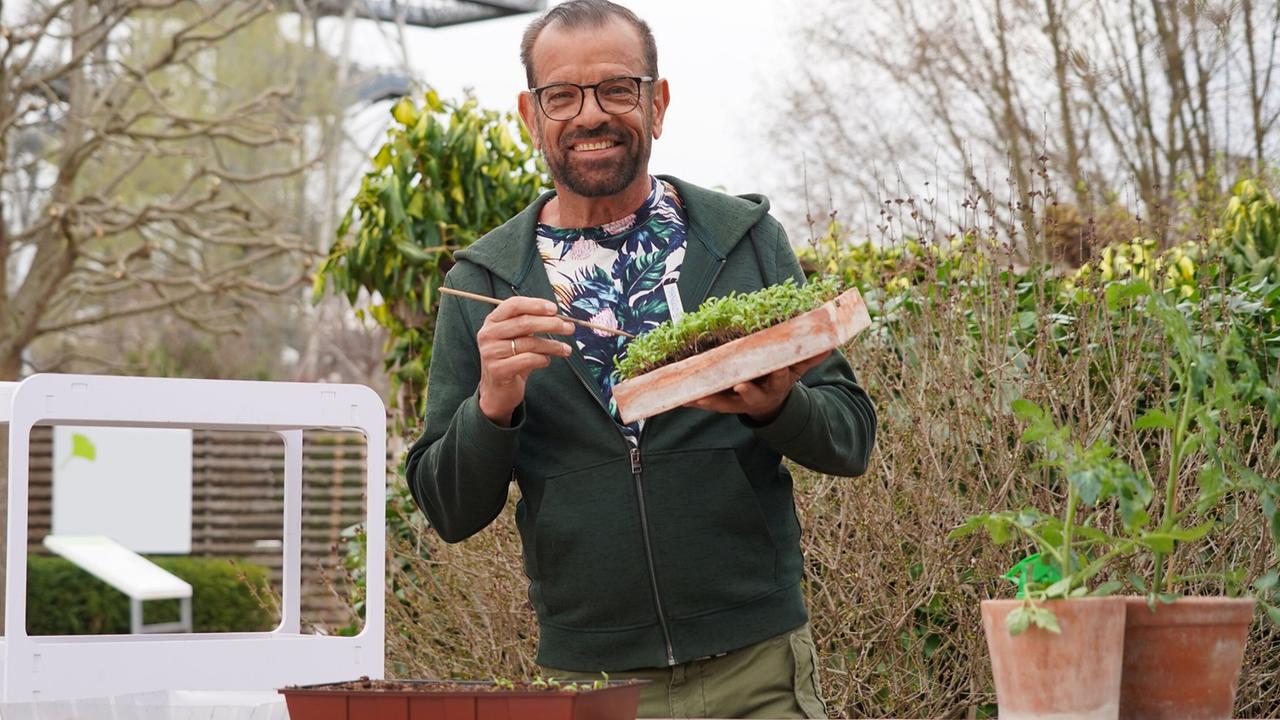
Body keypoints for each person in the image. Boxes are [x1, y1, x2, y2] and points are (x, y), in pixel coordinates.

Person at [404, 2, 876, 717]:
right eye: (562, 95)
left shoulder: (741, 241)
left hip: (759, 666)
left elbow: (850, 438)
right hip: (596, 687)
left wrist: (779, 405)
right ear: (531, 117)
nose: (590, 114)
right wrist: (493, 404)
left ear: (656, 103)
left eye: (617, 89)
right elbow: (448, 510)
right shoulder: (485, 284)